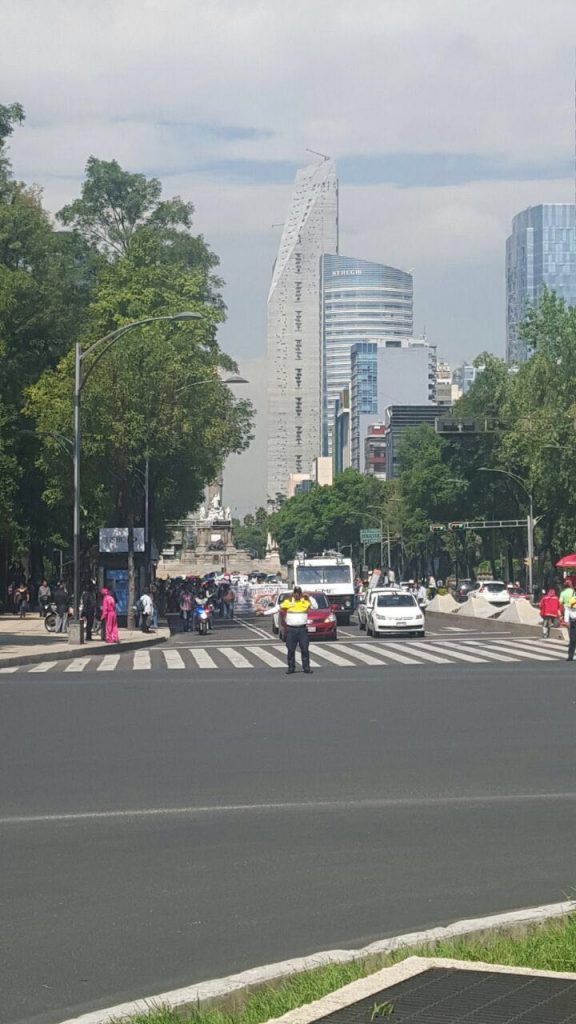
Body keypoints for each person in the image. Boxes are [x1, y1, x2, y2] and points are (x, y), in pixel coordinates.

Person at [280, 586, 312, 675]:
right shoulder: (288, 602)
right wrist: (264, 612)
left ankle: (306, 668)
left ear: (301, 594)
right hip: (291, 630)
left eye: (299, 593)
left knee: (305, 649)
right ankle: (291, 668)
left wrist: (308, 597)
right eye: (295, 592)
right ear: (293, 593)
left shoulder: (305, 602)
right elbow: (278, 608)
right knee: (290, 649)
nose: (297, 594)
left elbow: (315, 606)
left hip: (302, 629)